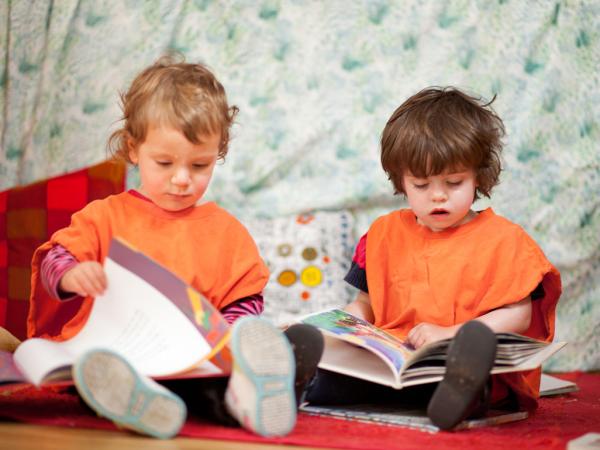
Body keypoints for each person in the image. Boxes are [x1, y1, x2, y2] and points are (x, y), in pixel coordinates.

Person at [28, 54, 323, 439]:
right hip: (116, 351)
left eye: (199, 166)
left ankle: (245, 396)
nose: (181, 180)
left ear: (218, 153)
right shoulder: (105, 216)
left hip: (192, 363)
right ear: (134, 150)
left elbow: (244, 301)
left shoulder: (226, 231)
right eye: (164, 163)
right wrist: (71, 274)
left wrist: (232, 337)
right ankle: (142, 399)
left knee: (210, 385)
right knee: (95, 375)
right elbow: (55, 258)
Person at [303, 86, 562, 430]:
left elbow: (518, 315)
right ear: (401, 182)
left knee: (464, 380)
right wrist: (344, 326)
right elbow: (365, 303)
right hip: (391, 363)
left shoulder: (504, 239)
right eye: (422, 185)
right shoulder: (384, 234)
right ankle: (298, 377)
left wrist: (452, 333)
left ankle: (463, 394)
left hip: (459, 363)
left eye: (453, 182)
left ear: (478, 177)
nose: (438, 196)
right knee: (331, 381)